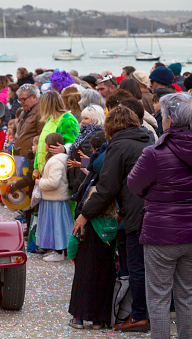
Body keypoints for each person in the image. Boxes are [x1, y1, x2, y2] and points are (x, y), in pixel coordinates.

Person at [73, 105, 152, 333]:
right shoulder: (146, 140)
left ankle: (139, 316)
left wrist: (85, 215)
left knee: (136, 266)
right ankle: (153, 313)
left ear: (111, 126)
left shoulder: (119, 145)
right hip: (152, 208)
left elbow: (107, 187)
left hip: (136, 213)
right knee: (151, 267)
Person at [128, 92, 192, 338]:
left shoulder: (155, 153)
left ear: (168, 120)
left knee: (158, 297)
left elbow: (134, 186)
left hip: (161, 233)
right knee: (186, 295)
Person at [67, 130, 117, 330]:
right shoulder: (112, 226)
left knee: (82, 278)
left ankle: (78, 317)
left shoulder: (83, 221)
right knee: (105, 277)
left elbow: (73, 241)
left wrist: (71, 254)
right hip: (105, 248)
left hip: (87, 247)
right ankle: (99, 319)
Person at [35, 133, 74, 262]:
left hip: (55, 199)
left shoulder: (56, 161)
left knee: (56, 226)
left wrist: (39, 183)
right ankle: (58, 250)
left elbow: (53, 182)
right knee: (58, 225)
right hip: (54, 198)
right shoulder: (59, 159)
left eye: (45, 143)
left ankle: (59, 251)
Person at [34, 91, 80, 178]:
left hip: (57, 173)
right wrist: (36, 167)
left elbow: (75, 143)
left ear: (48, 105)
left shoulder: (67, 119)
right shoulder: (50, 118)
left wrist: (64, 149)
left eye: (42, 104)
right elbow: (41, 143)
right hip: (46, 171)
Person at [66, 105, 104, 196]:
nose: (82, 121)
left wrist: (78, 183)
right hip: (80, 179)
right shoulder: (85, 133)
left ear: (95, 119)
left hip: (83, 181)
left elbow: (86, 162)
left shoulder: (93, 136)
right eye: (82, 118)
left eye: (86, 118)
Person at [13, 84, 45, 160]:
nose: (21, 102)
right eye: (19, 100)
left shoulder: (40, 112)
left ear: (34, 97)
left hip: (32, 158)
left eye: (23, 99)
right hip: (20, 158)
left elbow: (42, 136)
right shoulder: (23, 112)